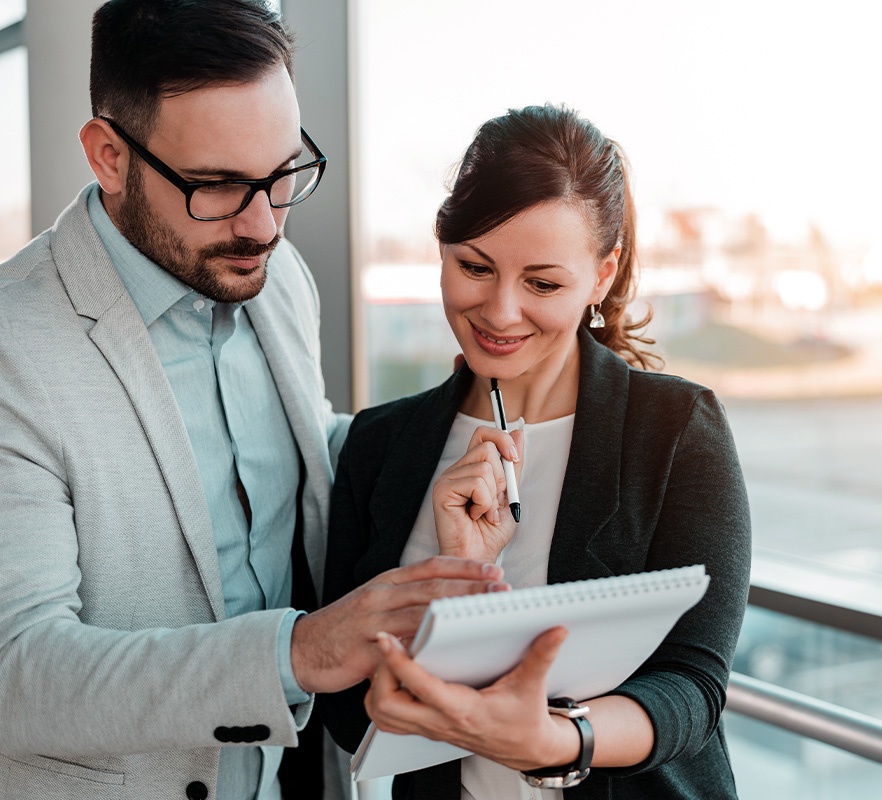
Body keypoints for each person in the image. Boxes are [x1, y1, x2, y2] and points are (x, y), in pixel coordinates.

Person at [0, 2, 506, 799]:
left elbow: (299, 453)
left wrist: (443, 449)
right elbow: (18, 673)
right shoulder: (13, 350)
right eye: (217, 186)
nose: (263, 224)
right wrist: (299, 653)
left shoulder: (274, 280)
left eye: (282, 174)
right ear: (108, 156)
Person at [318, 104, 752, 799]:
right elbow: (344, 711)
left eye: (543, 284)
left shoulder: (674, 430)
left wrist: (555, 740)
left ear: (601, 276)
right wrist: (457, 576)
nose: (500, 312)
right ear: (442, 248)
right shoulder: (378, 447)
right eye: (475, 267)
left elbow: (694, 688)